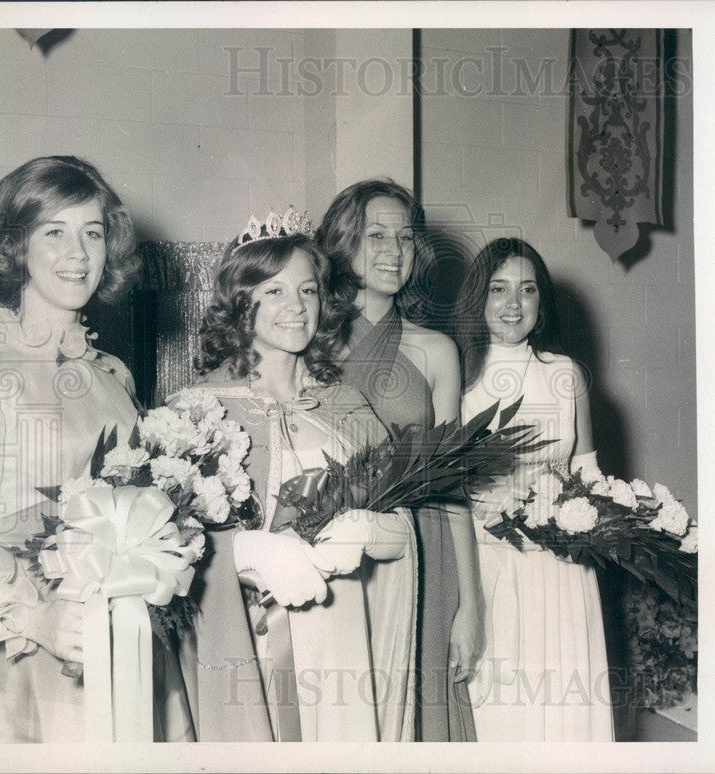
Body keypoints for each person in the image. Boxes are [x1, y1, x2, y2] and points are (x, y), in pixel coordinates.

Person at [0, 156, 189, 742]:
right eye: (55, 231)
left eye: (93, 233)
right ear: (15, 246)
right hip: (17, 653)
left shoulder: (112, 375)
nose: (79, 252)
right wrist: (32, 615)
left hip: (116, 637)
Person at [179, 217, 417, 742]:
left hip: (347, 639)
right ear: (242, 302)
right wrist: (246, 551)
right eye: (275, 290)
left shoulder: (348, 405)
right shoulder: (198, 410)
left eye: (308, 289)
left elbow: (404, 530)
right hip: (252, 641)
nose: (297, 305)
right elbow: (173, 550)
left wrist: (367, 532)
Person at [316, 180, 482, 742]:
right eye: (376, 236)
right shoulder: (308, 337)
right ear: (343, 244)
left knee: (417, 715)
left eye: (406, 239)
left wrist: (469, 601)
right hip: (328, 543)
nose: (394, 251)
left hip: (421, 544)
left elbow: (451, 480)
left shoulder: (437, 350)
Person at [455, 237, 615, 741]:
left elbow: (589, 477)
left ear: (541, 302)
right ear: (479, 299)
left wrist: (615, 523)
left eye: (526, 290)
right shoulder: (456, 377)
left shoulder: (566, 375)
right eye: (498, 289)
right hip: (489, 570)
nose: (512, 304)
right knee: (502, 714)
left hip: (562, 570)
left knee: (565, 714)